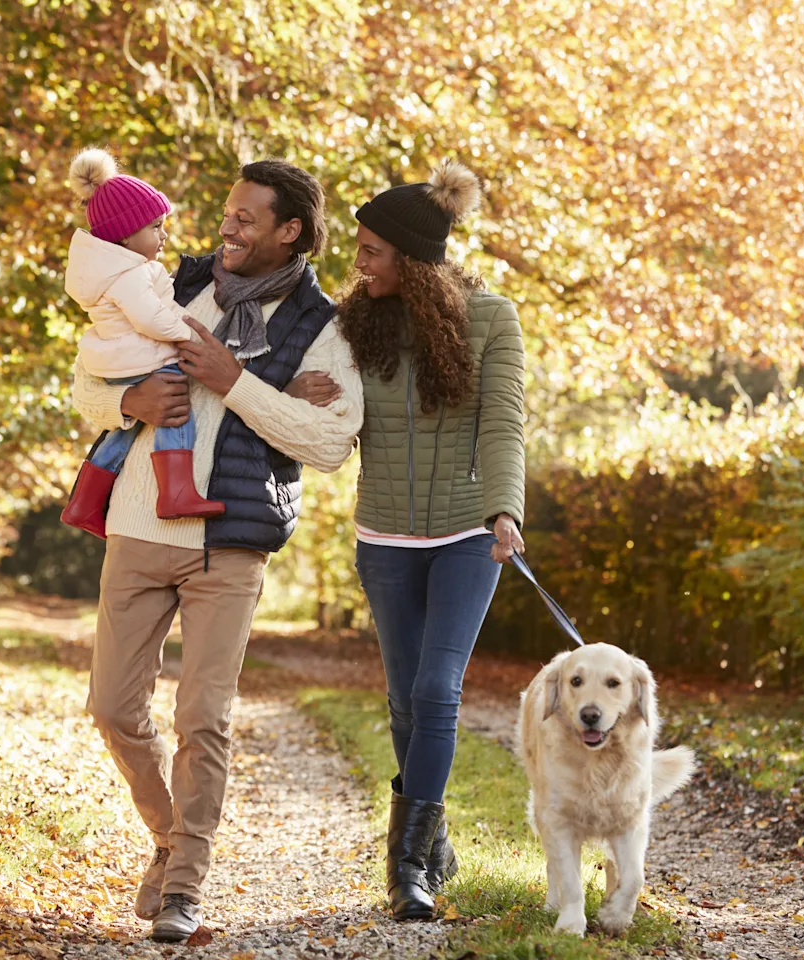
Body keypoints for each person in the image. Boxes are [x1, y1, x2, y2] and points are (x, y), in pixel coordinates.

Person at [69, 159, 364, 942]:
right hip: (137, 526)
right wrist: (127, 400)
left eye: (245, 218)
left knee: (203, 717)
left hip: (231, 545)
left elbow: (331, 441)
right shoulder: (171, 281)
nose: (225, 227)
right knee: (112, 709)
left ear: (289, 231)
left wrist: (238, 381)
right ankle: (171, 839)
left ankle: (183, 890)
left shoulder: (323, 327)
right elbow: (86, 378)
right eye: (227, 213)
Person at [336, 158, 528, 921]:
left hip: (465, 535)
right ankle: (434, 835)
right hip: (382, 534)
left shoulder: (493, 319)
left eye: (371, 251)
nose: (359, 263)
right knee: (403, 700)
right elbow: (332, 414)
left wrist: (505, 511)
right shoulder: (353, 321)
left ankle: (405, 866)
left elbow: (505, 424)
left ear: (410, 260)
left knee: (436, 689)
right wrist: (314, 397)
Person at [60, 148, 224, 536]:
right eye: (155, 227)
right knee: (175, 407)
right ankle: (176, 491)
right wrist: (187, 333)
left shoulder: (114, 268)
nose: (163, 235)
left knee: (123, 430)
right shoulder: (128, 274)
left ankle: (84, 502)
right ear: (126, 235)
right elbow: (149, 317)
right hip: (139, 359)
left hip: (118, 362)